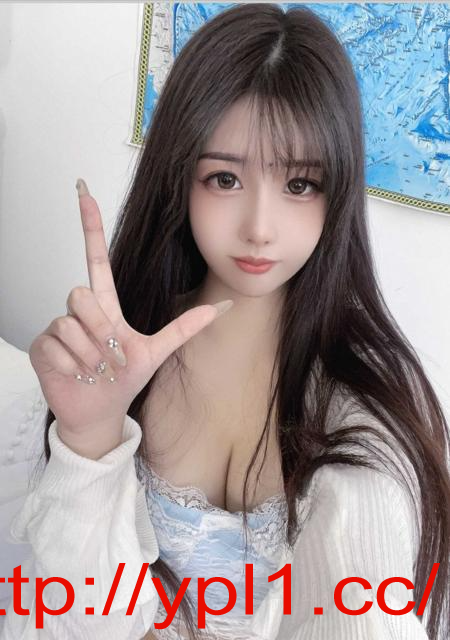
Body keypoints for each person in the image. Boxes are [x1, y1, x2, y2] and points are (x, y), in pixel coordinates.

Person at [1, 4, 449, 639]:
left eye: (300, 185)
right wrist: (90, 438)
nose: (259, 228)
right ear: (180, 177)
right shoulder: (132, 353)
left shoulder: (365, 413)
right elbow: (80, 615)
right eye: (225, 178)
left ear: (338, 191)